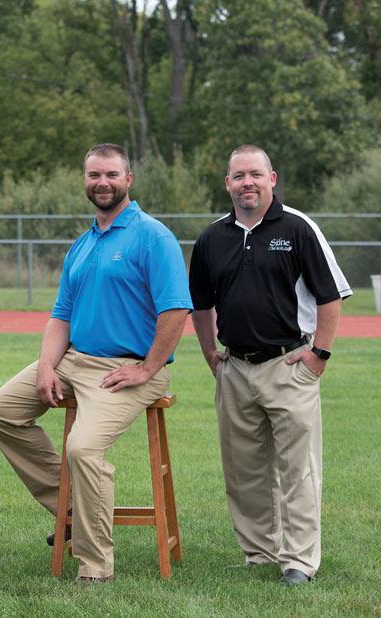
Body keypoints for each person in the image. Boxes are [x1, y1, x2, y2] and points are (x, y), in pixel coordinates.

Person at [0, 143, 192, 585]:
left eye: (112, 175)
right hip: (73, 359)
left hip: (127, 368)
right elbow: (61, 315)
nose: (102, 183)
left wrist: (147, 368)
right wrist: (46, 366)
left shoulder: (153, 236)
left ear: (128, 179)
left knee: (82, 448)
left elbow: (175, 311)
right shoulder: (82, 244)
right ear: (85, 180)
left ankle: (96, 567)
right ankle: (75, 511)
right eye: (94, 175)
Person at [188, 145, 351, 585]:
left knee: (297, 470)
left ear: (272, 178)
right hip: (235, 368)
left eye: (255, 174)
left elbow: (330, 295)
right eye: (238, 175)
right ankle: (259, 553)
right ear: (227, 184)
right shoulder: (211, 238)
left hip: (289, 365)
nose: (247, 183)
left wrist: (319, 355)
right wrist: (209, 354)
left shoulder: (297, 228)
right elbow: (200, 305)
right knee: (244, 471)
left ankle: (298, 561)